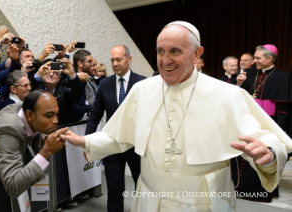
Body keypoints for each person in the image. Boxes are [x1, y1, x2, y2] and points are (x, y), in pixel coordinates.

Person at [61, 21, 292, 211]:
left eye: (175, 51)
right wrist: (87, 141)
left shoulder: (227, 94)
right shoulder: (143, 90)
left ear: (196, 54)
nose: (165, 60)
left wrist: (270, 153)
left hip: (205, 201)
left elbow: (269, 139)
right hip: (150, 198)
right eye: (160, 51)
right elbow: (120, 135)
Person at [0, 89, 68, 198]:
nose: (56, 120)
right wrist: (47, 151)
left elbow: (35, 123)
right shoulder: (7, 129)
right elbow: (13, 186)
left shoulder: (30, 107)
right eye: (49, 115)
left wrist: (43, 135)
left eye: (57, 114)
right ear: (30, 115)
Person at [86, 45, 145, 212]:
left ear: (129, 59)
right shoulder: (105, 84)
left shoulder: (142, 83)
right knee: (114, 191)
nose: (115, 63)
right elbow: (96, 114)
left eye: (119, 59)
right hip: (112, 145)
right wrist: (87, 141)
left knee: (142, 189)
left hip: (136, 146)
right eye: (112, 60)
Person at [235, 44, 291, 202]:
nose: (254, 62)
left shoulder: (282, 78)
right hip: (247, 123)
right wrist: (239, 84)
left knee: (261, 157)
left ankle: (260, 192)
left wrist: (280, 131)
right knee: (244, 155)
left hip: (268, 126)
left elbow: (284, 109)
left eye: (258, 58)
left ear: (270, 58)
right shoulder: (249, 74)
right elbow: (237, 97)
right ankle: (241, 189)